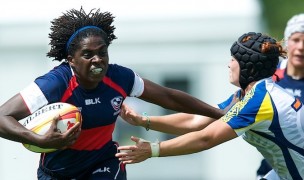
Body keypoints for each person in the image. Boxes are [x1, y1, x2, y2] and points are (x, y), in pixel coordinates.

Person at [0, 7, 225, 180]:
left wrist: (220, 114)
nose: (97, 59)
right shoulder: (54, 83)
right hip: (58, 170)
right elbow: (2, 117)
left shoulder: (120, 78)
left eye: (102, 52)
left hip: (104, 162)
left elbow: (169, 97)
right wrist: (38, 138)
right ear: (71, 60)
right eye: (88, 54)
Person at [116, 32, 304, 180]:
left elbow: (207, 138)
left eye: (233, 59)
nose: (228, 65)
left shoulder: (260, 100)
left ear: (250, 68)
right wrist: (143, 121)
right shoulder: (249, 95)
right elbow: (195, 120)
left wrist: (153, 150)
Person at [256, 13, 304, 179]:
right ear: (286, 41)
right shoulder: (268, 74)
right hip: (270, 167)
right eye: (296, 39)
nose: (301, 47)